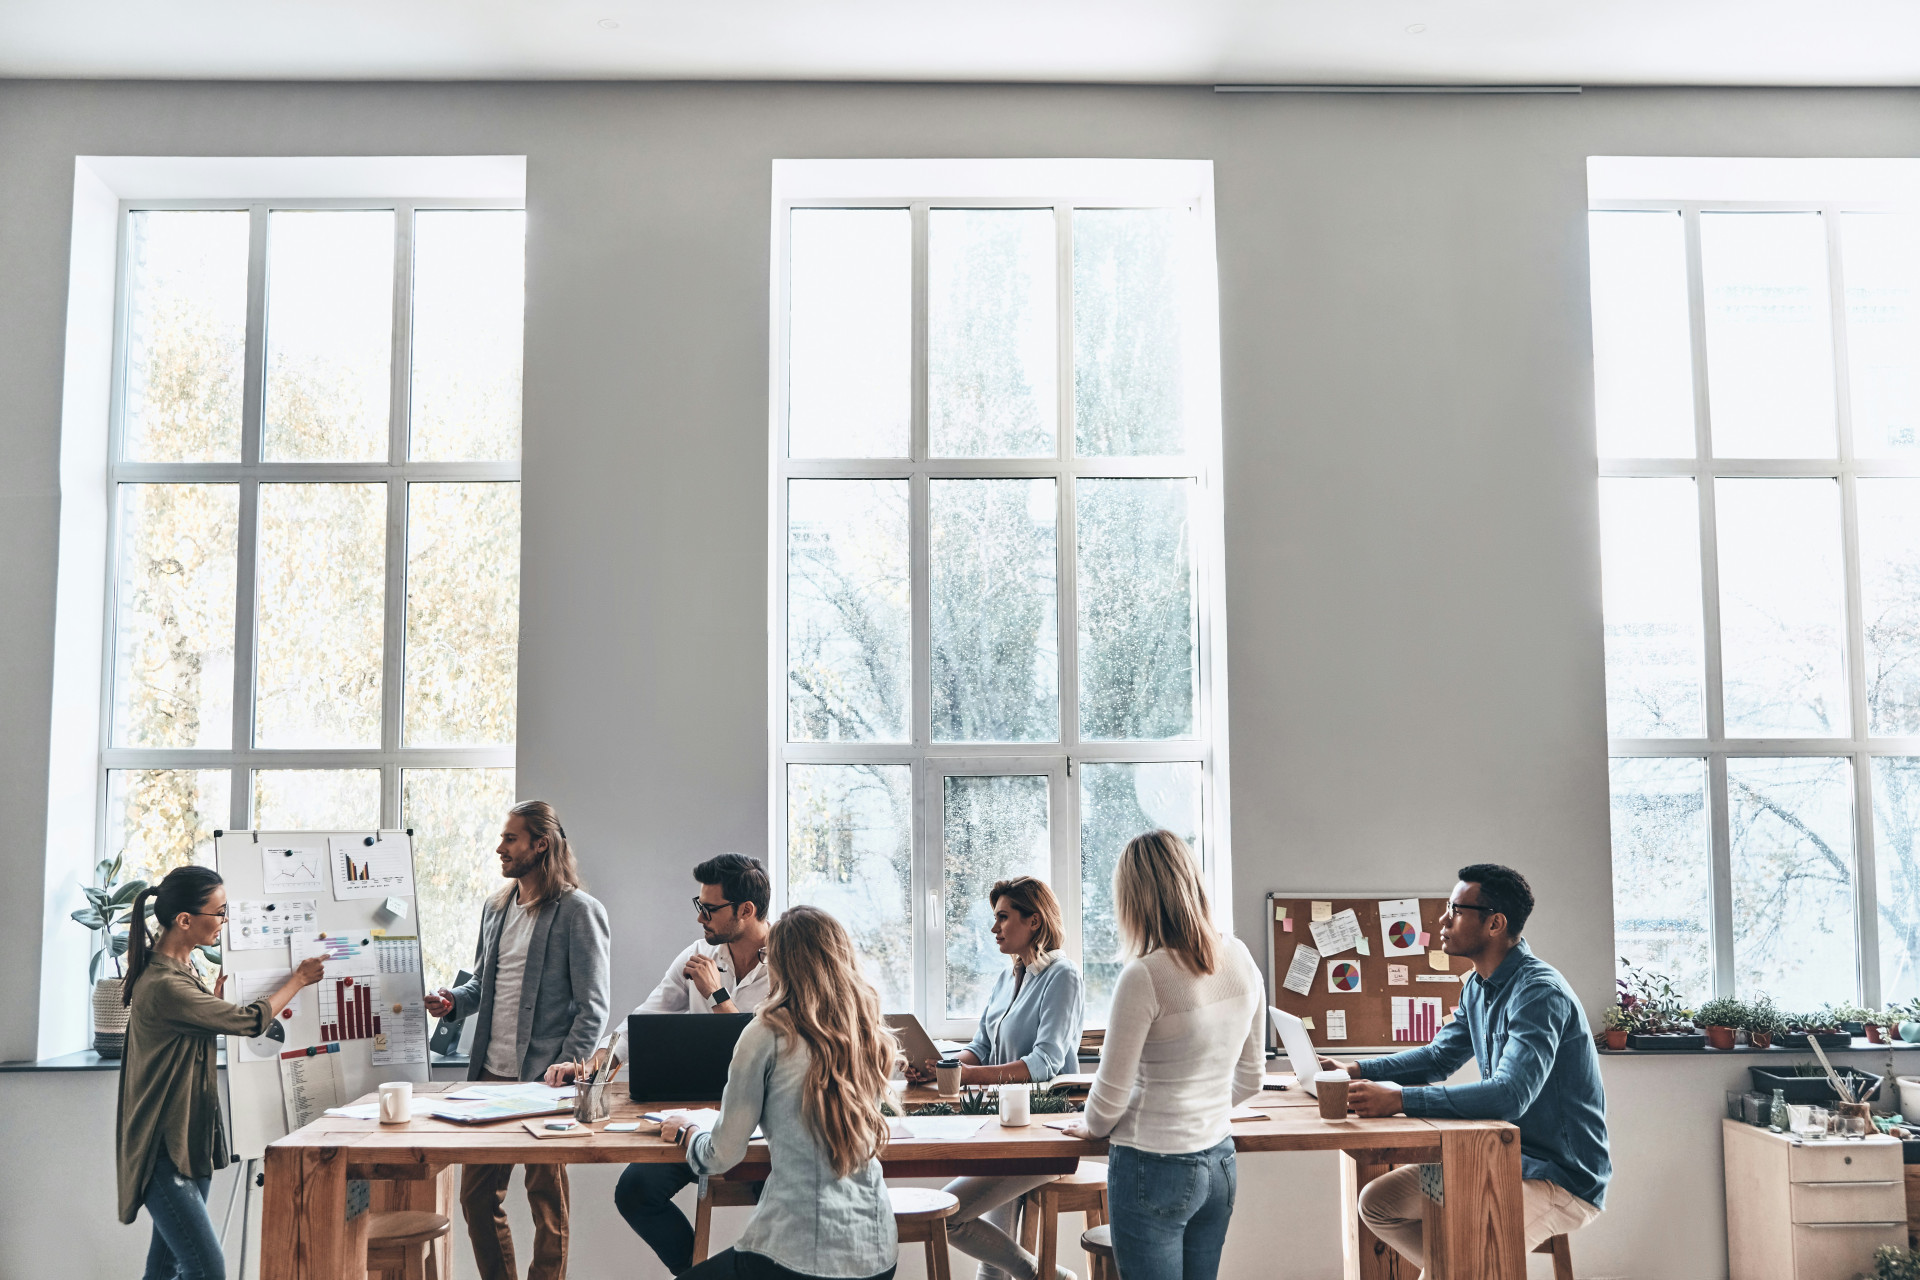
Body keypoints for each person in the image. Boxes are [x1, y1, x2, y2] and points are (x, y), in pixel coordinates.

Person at [1320, 864, 1610, 1276]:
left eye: (1455, 910)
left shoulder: (1538, 993)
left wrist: (1400, 1100)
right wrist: (1355, 1069)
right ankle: (1462, 1269)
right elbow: (1438, 1058)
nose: (1442, 920)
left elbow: (1510, 1095)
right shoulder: (1477, 986)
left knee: (1467, 1254)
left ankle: (1465, 1269)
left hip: (1559, 1177)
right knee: (1378, 1205)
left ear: (1495, 924)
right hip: (1495, 1159)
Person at [545, 853, 773, 1276]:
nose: (700, 917)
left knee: (774, 1203)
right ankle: (695, 1273)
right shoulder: (699, 954)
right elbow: (646, 1017)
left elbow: (759, 1050)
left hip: (766, 1118)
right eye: (699, 904)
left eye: (710, 909)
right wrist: (595, 1065)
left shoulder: (789, 962)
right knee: (635, 1192)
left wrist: (717, 995)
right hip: (704, 1112)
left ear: (746, 910)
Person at [657, 905, 898, 1280]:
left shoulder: (766, 1032)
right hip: (877, 1255)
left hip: (796, 1256)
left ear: (782, 962)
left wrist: (688, 1132)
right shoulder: (866, 1031)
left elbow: (722, 1155)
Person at [1063, 831, 1264, 1280]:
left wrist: (1090, 1126)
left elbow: (1109, 1100)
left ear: (1134, 900)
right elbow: (1251, 1079)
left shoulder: (1144, 976)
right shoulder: (1240, 957)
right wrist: (1200, 1110)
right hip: (1220, 1164)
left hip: (1153, 1166)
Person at [424, 800, 611, 1280]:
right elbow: (482, 984)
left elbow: (592, 1007)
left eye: (511, 838)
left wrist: (567, 1068)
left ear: (540, 844)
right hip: (489, 1077)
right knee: (476, 1198)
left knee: (546, 1201)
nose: (500, 848)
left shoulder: (579, 912)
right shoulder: (496, 907)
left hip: (545, 1080)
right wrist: (453, 1001)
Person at [116, 865, 324, 1280]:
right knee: (207, 1268)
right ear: (185, 920)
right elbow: (249, 1021)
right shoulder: (165, 984)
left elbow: (182, 1036)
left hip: (187, 1137)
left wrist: (209, 1003)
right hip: (162, 1146)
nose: (225, 920)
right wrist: (298, 980)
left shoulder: (183, 970)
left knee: (165, 1268)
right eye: (220, 912)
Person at [901, 876, 1083, 1280]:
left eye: (1003, 917)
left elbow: (1044, 1063)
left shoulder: (1063, 975)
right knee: (986, 1256)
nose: (993, 927)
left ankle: (1050, 1277)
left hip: (1043, 1132)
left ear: (1034, 920)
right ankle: (1047, 1277)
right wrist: (939, 1068)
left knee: (948, 1214)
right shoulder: (1005, 979)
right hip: (1001, 1130)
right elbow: (979, 1048)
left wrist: (965, 1076)